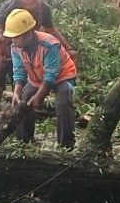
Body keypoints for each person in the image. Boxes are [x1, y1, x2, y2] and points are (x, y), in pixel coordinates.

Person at [0, 0, 78, 141]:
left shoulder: (44, 14)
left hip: (32, 57)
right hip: (7, 55)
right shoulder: (12, 7)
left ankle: (45, 140)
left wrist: (68, 48)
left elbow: (51, 32)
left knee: (29, 99)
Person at [4, 9, 77, 148]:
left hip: (62, 76)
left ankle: (66, 145)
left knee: (63, 101)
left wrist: (39, 97)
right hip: (36, 78)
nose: (13, 40)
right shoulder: (15, 47)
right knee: (23, 102)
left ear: (28, 34)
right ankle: (24, 142)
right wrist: (17, 92)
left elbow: (50, 76)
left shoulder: (50, 44)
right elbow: (19, 72)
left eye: (16, 37)